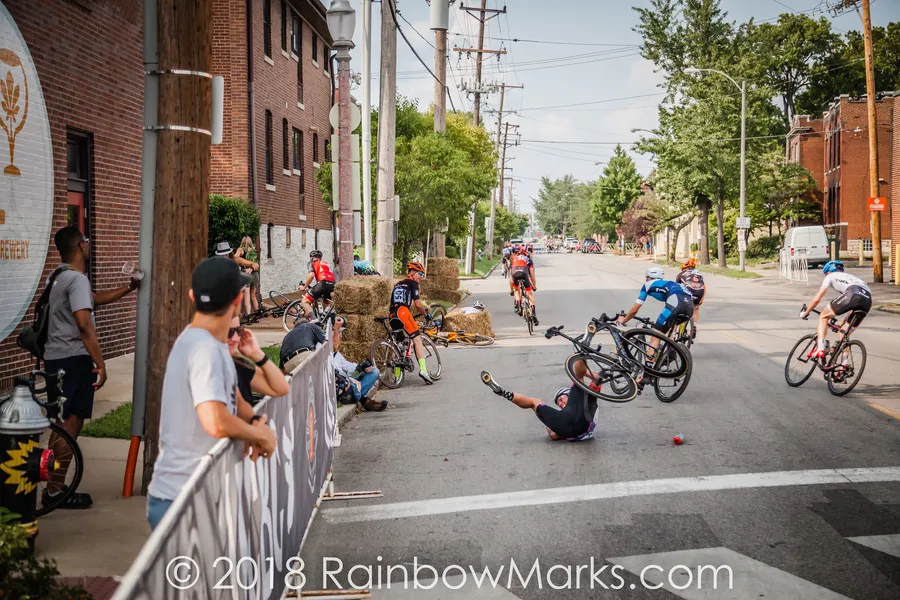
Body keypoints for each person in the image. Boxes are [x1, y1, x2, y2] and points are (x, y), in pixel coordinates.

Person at [146, 257, 277, 530]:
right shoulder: (205, 350)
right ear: (238, 300)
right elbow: (214, 420)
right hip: (185, 500)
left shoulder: (198, 341)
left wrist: (251, 422)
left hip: (187, 495)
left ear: (193, 296)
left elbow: (230, 402)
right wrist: (260, 435)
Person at [42, 226, 140, 509]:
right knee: (69, 425)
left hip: (56, 360)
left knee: (63, 423)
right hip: (72, 360)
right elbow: (84, 324)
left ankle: (53, 487)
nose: (89, 244)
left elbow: (93, 300)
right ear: (79, 246)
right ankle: (56, 490)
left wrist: (127, 289)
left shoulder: (58, 277)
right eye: (85, 241)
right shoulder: (77, 280)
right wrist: (100, 363)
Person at [480, 366, 598, 441]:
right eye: (559, 403)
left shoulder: (579, 396)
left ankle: (583, 351)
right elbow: (552, 434)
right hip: (577, 427)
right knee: (534, 402)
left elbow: (597, 379)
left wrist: (585, 373)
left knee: (578, 379)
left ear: (569, 395)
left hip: (581, 420)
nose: (561, 403)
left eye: (562, 399)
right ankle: (503, 393)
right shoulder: (564, 416)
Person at [800, 260, 872, 360]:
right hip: (867, 301)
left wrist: (806, 312)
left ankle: (820, 348)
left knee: (823, 316)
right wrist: (841, 323)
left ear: (828, 272)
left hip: (852, 294)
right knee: (843, 333)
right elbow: (853, 307)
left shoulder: (830, 276)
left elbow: (817, 299)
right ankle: (844, 364)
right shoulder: (852, 278)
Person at [227, 316, 290, 406]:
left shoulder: (237, 364)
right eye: (229, 332)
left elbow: (282, 388)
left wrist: (257, 354)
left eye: (239, 330)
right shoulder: (205, 368)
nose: (235, 338)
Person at [390, 261, 435, 385]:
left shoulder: (398, 284)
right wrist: (426, 314)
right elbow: (418, 304)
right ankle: (424, 370)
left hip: (392, 314)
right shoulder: (413, 283)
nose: (421, 277)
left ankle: (397, 377)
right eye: (420, 273)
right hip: (403, 312)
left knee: (398, 345)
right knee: (417, 340)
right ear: (413, 272)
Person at [617, 267, 692, 336]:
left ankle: (653, 350)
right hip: (690, 306)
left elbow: (634, 310)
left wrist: (624, 320)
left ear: (649, 277)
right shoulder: (669, 283)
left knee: (656, 335)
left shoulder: (647, 285)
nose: (646, 280)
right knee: (668, 331)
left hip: (675, 304)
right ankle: (672, 348)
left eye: (646, 278)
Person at [333, 316, 386, 411]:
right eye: (339, 333)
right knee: (346, 380)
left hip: (347, 381)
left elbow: (347, 366)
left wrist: (361, 367)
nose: (341, 336)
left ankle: (354, 396)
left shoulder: (337, 354)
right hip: (339, 383)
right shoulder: (322, 352)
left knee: (374, 371)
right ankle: (363, 400)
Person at [299, 250, 336, 319]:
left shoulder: (312, 263)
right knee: (326, 303)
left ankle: (314, 320)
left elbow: (311, 275)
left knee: (304, 301)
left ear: (312, 257)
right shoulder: (326, 264)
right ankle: (326, 320)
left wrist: (304, 287)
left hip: (322, 284)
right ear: (320, 258)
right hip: (331, 285)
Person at [509, 246, 539, 325]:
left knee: (516, 291)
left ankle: (518, 306)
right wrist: (534, 286)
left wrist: (512, 289)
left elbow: (510, 276)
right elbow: (532, 275)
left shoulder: (514, 259)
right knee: (529, 294)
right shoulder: (528, 259)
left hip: (515, 273)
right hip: (524, 273)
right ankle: (533, 312)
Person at [675, 258, 706, 331]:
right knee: (696, 309)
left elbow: (676, 287)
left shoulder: (681, 274)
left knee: (678, 311)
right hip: (701, 289)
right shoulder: (698, 273)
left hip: (688, 288)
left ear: (684, 269)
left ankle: (673, 333)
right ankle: (694, 325)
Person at [234, 236, 261, 315]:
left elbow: (235, 257)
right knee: (253, 295)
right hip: (255, 273)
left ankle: (249, 315)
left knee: (247, 295)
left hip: (247, 273)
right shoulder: (254, 251)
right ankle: (257, 315)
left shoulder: (240, 249)